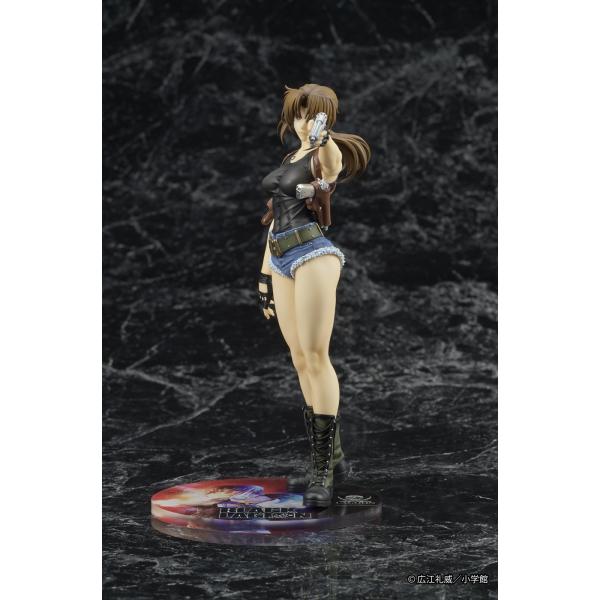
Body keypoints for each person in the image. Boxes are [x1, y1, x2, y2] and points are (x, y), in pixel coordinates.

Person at [257, 83, 371, 507]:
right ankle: (334, 460)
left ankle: (321, 472)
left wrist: (323, 140)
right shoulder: (290, 158)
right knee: (299, 358)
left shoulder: (325, 152)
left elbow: (331, 167)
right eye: (299, 114)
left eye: (313, 114)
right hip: (280, 256)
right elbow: (275, 220)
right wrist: (264, 275)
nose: (304, 122)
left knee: (316, 355)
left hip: (312, 255)